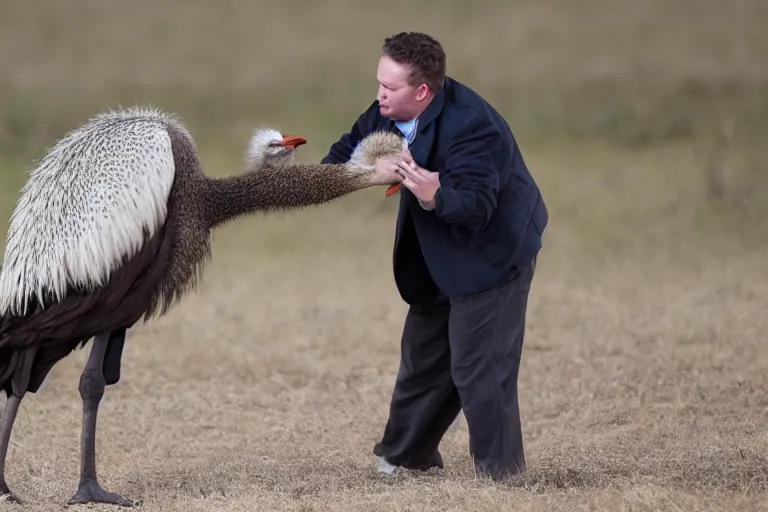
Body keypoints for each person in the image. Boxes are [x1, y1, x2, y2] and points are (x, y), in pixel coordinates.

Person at [320, 31, 548, 481]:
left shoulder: (472, 126)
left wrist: (434, 194)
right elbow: (340, 159)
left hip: (492, 255)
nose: (379, 94)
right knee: (423, 355)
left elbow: (478, 206)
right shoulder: (385, 113)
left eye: (390, 87)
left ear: (422, 91)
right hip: (434, 259)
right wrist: (359, 174)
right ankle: (407, 457)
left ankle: (503, 478)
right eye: (378, 83)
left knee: (478, 367)